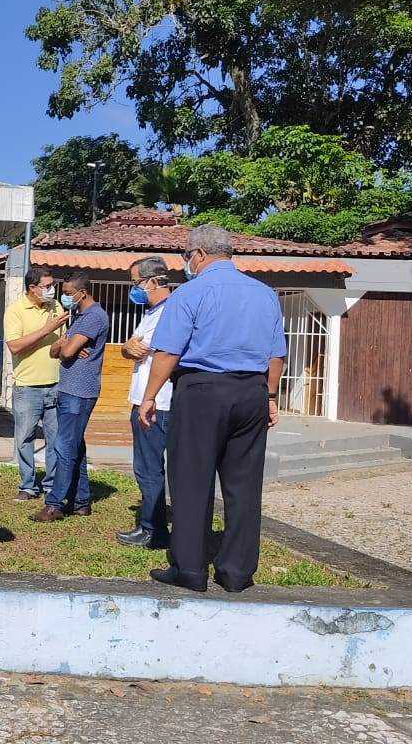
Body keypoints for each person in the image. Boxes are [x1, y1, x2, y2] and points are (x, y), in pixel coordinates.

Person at [139, 225, 286, 593]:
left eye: (187, 256)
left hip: (202, 390)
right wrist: (269, 397)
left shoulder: (189, 294)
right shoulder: (265, 294)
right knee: (244, 485)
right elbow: (276, 355)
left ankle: (190, 568)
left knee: (191, 480)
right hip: (251, 391)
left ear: (199, 255)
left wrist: (150, 395)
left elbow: (169, 351)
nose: (187, 263)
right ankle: (236, 572)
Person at [31, 273, 107, 523]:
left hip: (79, 392)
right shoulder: (78, 317)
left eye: (68, 292)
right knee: (75, 447)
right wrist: (64, 347)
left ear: (82, 293)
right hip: (69, 389)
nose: (64, 296)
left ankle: (54, 504)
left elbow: (67, 351)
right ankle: (81, 502)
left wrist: (66, 348)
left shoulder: (94, 316)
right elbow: (57, 351)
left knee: (64, 447)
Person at [116, 256, 174, 550]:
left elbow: (147, 350)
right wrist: (127, 348)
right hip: (143, 399)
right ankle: (149, 524)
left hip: (158, 403)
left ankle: (153, 529)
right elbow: (132, 348)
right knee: (144, 466)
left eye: (136, 283)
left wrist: (132, 348)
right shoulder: (151, 312)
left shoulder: (170, 313)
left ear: (153, 282)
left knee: (150, 467)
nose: (134, 289)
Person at [3, 266, 71, 501]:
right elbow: (15, 346)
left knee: (55, 440)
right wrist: (47, 329)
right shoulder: (15, 311)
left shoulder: (57, 307)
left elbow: (63, 339)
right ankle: (28, 485)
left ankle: (52, 486)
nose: (52, 290)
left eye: (53, 285)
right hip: (27, 387)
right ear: (32, 288)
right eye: (47, 286)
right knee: (25, 439)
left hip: (55, 384)